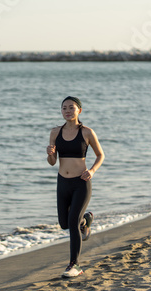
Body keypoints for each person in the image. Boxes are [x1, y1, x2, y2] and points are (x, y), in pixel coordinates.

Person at [47, 96, 105, 278]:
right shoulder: (55, 132)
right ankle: (85, 221)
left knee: (71, 222)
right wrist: (49, 154)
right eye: (64, 108)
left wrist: (93, 171)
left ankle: (75, 265)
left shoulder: (87, 132)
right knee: (64, 223)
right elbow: (52, 162)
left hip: (81, 182)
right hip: (62, 182)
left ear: (79, 110)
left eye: (71, 108)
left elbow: (100, 155)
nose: (67, 111)